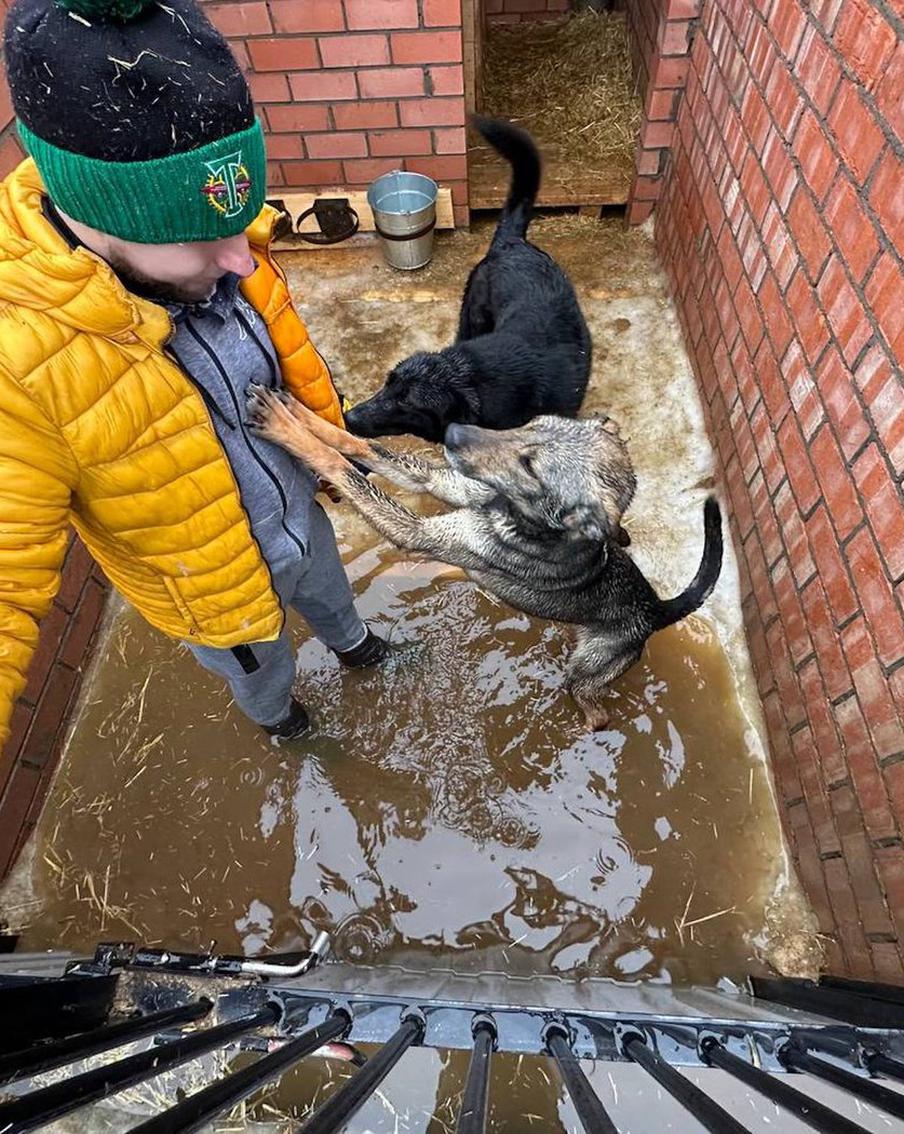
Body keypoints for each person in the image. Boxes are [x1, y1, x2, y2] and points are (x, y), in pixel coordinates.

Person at [0, 0, 389, 746]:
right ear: (110, 218)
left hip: (300, 511)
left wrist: (332, 445)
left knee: (332, 594)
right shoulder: (21, 357)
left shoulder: (214, 256)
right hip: (220, 593)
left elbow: (290, 358)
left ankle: (357, 647)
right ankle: (285, 723)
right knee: (262, 670)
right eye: (205, 237)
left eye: (237, 221)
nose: (243, 258)